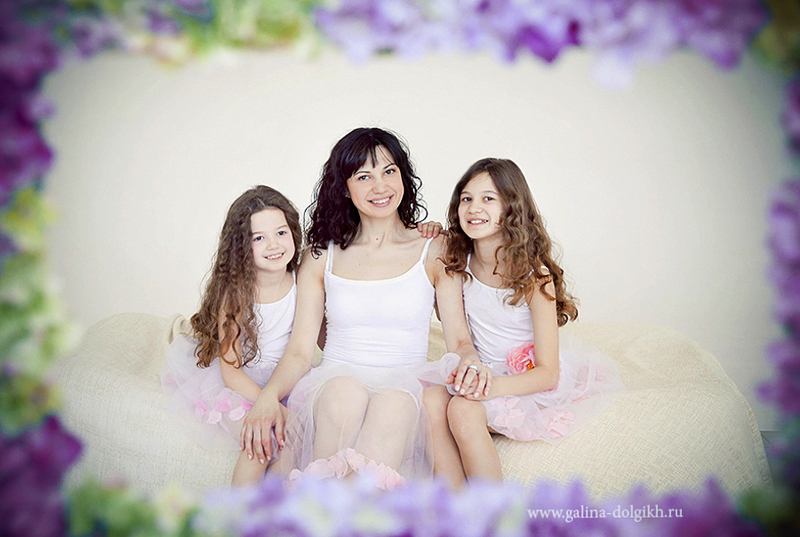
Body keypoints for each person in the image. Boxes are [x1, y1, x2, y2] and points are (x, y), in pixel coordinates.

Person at [239, 128, 482, 489]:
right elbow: (301, 351)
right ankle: (323, 505)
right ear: (344, 187)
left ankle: (345, 510)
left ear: (403, 176)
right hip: (333, 386)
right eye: (364, 176)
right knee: (344, 393)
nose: (380, 186)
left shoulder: (435, 249)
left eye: (389, 171)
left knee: (394, 404)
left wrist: (470, 361)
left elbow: (459, 341)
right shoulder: (320, 256)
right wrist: (268, 396)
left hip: (404, 387)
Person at [422, 158, 626, 487]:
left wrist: (489, 388)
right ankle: (454, 504)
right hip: (480, 369)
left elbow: (548, 373)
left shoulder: (534, 276)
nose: (474, 207)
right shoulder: (459, 263)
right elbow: (460, 341)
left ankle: (495, 509)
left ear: (512, 207)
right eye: (466, 198)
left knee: (462, 410)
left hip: (523, 380)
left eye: (489, 198)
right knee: (431, 400)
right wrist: (430, 231)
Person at [161, 185, 303, 486]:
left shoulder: (302, 282)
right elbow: (231, 370)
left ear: (293, 232)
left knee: (292, 443)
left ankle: (275, 511)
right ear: (240, 246)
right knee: (261, 440)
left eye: (281, 232)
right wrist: (269, 405)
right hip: (242, 385)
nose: (273, 245)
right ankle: (239, 511)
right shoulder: (236, 295)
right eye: (258, 238)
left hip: (287, 381)